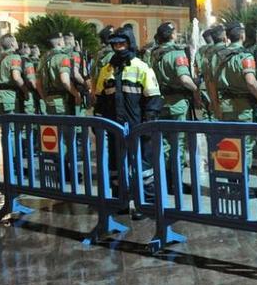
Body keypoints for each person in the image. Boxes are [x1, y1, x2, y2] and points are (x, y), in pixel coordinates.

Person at [93, 26, 162, 217]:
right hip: (115, 128)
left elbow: (154, 99)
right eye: (115, 44)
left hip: (138, 127)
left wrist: (147, 125)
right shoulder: (106, 70)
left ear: (130, 43)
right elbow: (100, 99)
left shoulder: (141, 67)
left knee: (144, 168)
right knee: (116, 167)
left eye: (122, 43)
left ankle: (146, 204)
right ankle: (120, 201)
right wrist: (98, 121)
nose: (118, 47)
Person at [149, 21, 200, 167]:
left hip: (160, 102)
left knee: (164, 142)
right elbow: (184, 79)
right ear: (172, 35)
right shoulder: (177, 53)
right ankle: (176, 180)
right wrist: (195, 89)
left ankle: (166, 179)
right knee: (178, 142)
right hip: (177, 103)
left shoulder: (152, 54)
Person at [213, 23, 257, 163]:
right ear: (242, 35)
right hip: (244, 108)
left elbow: (210, 82)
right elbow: (251, 82)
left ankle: (233, 181)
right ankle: (243, 182)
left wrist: (216, 105)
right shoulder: (245, 56)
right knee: (245, 146)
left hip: (225, 106)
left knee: (229, 146)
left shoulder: (217, 56)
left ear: (227, 37)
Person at [37, 33, 80, 115]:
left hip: (49, 99)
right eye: (63, 40)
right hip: (61, 101)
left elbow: (38, 83)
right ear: (60, 42)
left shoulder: (42, 59)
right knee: (64, 127)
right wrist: (76, 94)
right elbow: (65, 81)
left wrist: (44, 97)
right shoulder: (63, 57)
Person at [0, 34, 27, 115]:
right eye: (15, 41)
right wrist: (25, 91)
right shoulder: (14, 57)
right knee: (13, 125)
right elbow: (16, 77)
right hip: (11, 96)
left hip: (0, 96)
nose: (17, 43)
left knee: (5, 125)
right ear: (12, 44)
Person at [18, 43, 39, 115]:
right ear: (26, 50)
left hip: (16, 94)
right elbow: (31, 80)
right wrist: (38, 89)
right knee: (30, 121)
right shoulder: (27, 62)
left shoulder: (15, 60)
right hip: (28, 94)